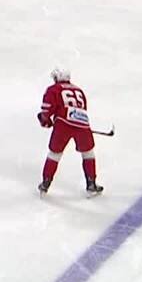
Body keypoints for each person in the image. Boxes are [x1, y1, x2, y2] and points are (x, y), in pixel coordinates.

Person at [37, 67, 103, 196]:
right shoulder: (79, 90)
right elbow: (82, 108)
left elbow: (47, 110)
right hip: (83, 124)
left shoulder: (53, 89)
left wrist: (45, 119)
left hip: (63, 124)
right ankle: (91, 183)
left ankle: (45, 183)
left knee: (55, 153)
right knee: (88, 153)